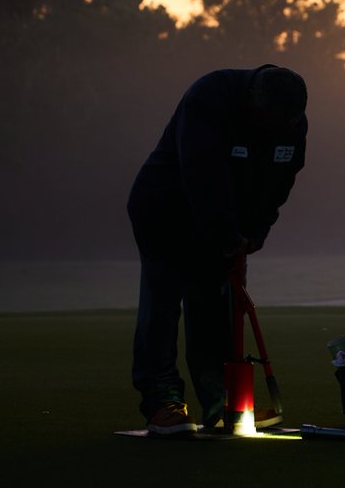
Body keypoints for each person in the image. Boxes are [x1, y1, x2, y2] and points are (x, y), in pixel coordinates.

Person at [127, 65, 307, 434]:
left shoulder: (291, 122)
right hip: (165, 212)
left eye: (286, 123)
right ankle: (163, 402)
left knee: (215, 308)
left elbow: (280, 180)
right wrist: (228, 236)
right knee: (163, 303)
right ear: (254, 104)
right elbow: (202, 175)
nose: (277, 130)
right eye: (270, 121)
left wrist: (256, 231)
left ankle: (220, 405)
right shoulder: (210, 98)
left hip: (223, 220)